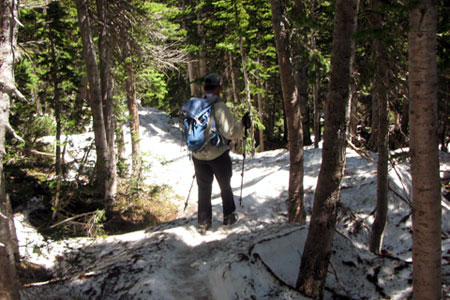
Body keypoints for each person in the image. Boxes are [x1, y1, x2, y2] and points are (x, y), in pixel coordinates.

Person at [192, 73, 251, 234]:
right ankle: (229, 216)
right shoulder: (220, 107)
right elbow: (229, 132)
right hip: (218, 154)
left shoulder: (196, 105)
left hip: (198, 154)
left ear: (204, 88)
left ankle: (204, 222)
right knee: (225, 185)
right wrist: (242, 126)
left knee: (203, 188)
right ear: (219, 89)